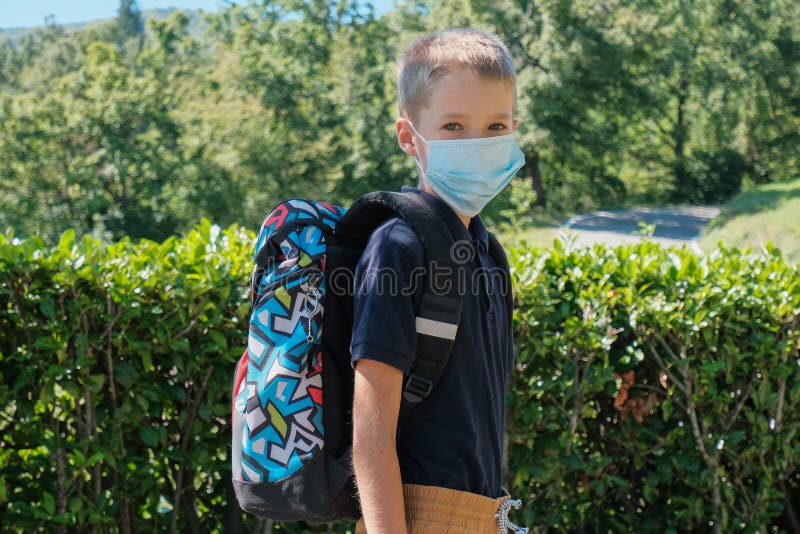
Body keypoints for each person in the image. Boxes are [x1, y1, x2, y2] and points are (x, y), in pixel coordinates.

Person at [350, 28, 528, 534]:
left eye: (495, 126)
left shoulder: (487, 256)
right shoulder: (398, 247)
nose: (477, 143)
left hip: (483, 515)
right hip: (415, 518)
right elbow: (371, 435)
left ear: (514, 128)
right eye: (453, 125)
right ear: (410, 137)